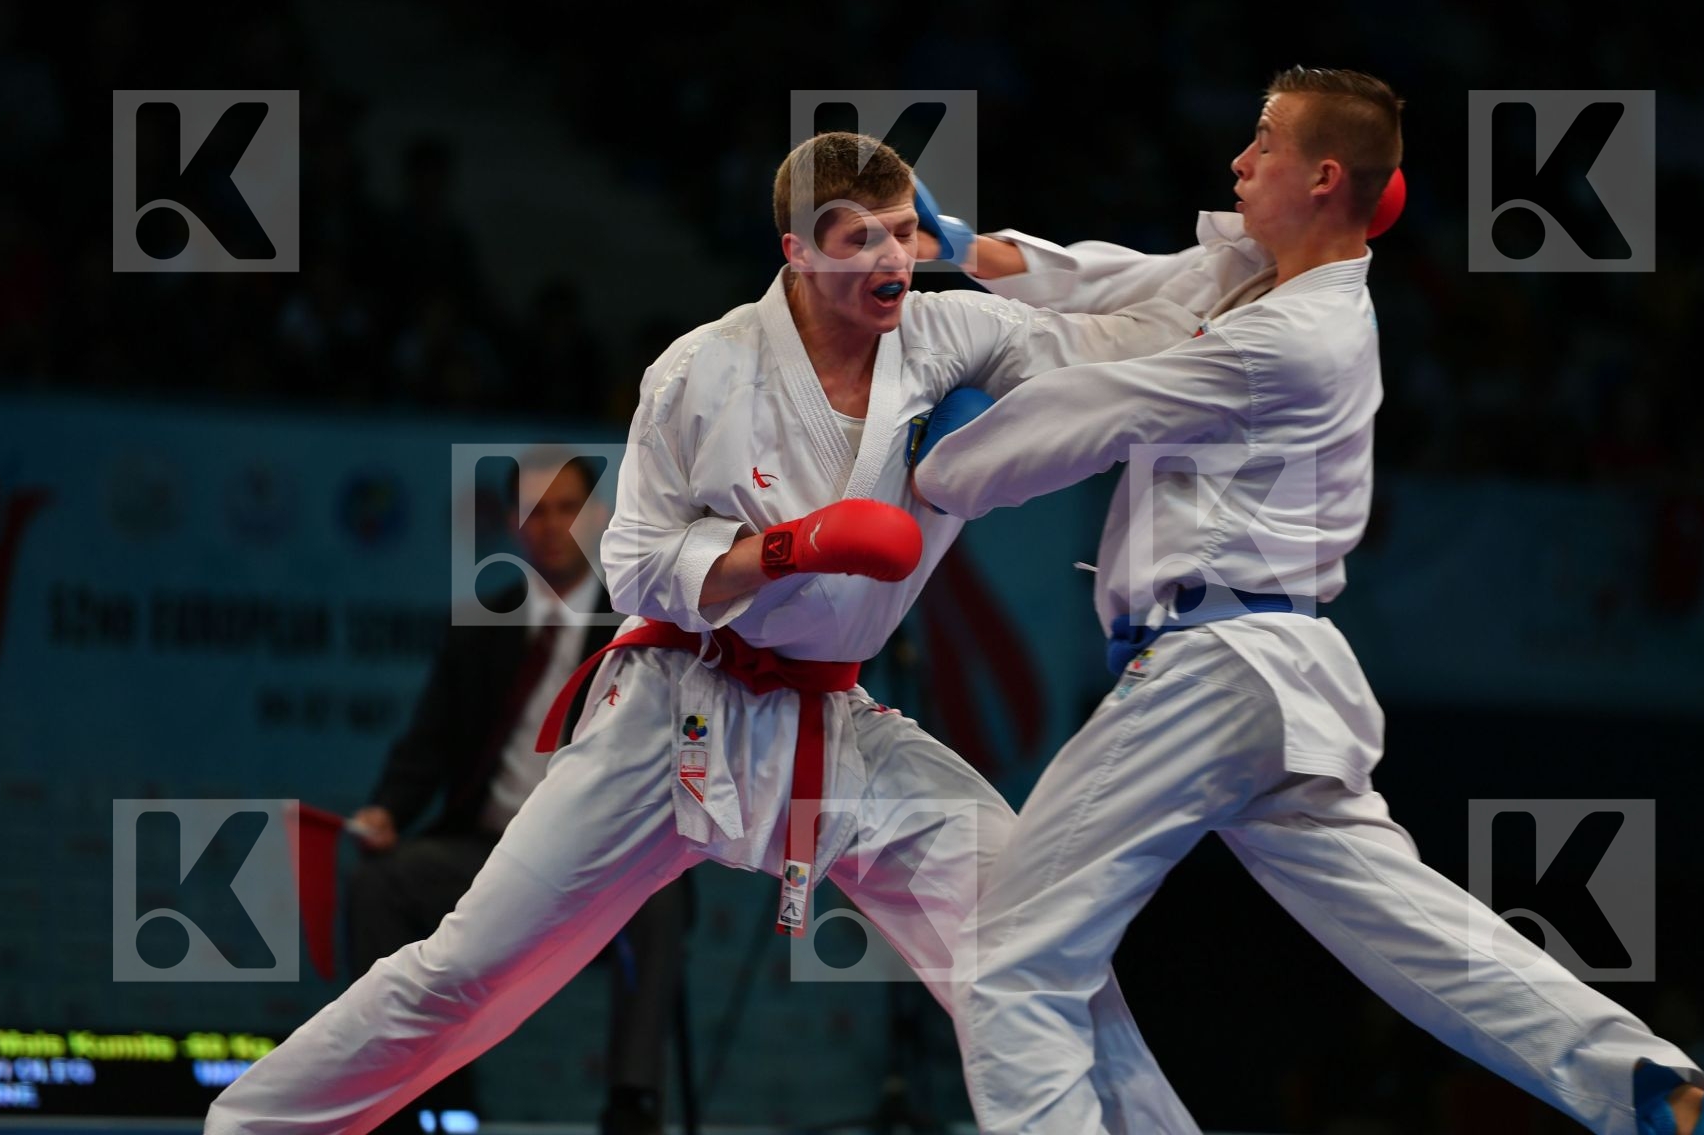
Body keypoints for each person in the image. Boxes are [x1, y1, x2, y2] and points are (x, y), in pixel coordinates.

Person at [206, 130, 1238, 1135]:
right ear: (796, 250)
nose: (890, 261)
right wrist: (792, 548)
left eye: (900, 234)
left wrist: (1258, 296)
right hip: (672, 713)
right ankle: (252, 1125)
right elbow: (635, 566)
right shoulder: (701, 371)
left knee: (1032, 940)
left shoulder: (948, 333)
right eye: (859, 240)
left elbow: (1112, 348)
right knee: (470, 973)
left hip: (831, 720)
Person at [911, 67, 1704, 1135]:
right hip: (1276, 674)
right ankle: (1650, 1089)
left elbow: (1092, 410)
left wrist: (934, 469)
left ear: (1322, 177)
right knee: (1417, 934)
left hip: (1213, 670)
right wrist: (966, 249)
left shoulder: (1291, 337)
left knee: (1011, 963)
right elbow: (1128, 280)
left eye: (1263, 142)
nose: (1238, 160)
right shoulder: (1256, 277)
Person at [344, 451, 687, 1135]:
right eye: (535, 512)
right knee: (381, 885)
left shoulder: (643, 623)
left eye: (566, 508)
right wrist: (387, 810)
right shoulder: (482, 622)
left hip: (601, 859)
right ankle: (417, 1094)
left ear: (598, 517)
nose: (551, 525)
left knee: (663, 892)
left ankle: (632, 1103)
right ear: (512, 523)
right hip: (487, 852)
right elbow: (429, 742)